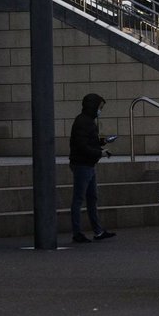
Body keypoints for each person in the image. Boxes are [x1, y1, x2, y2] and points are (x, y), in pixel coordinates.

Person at [69, 93, 116, 243]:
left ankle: (97, 230)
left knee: (90, 198)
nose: (100, 111)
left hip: (87, 164)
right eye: (100, 108)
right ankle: (79, 232)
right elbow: (82, 146)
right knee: (80, 199)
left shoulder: (85, 121)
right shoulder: (84, 122)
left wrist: (101, 143)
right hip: (83, 164)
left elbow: (86, 142)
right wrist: (100, 152)